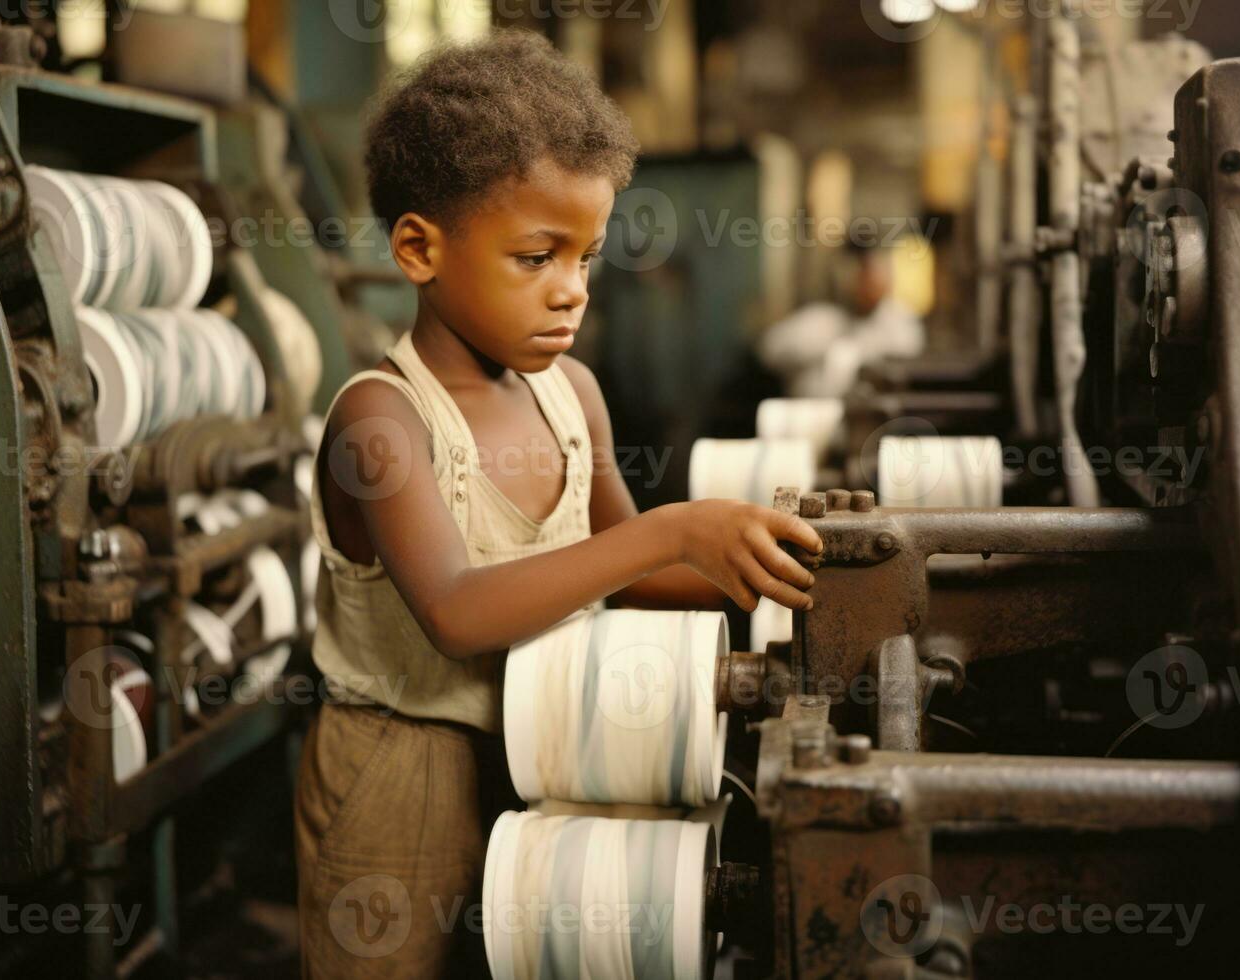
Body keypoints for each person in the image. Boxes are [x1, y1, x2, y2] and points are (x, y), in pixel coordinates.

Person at [294, 29, 823, 979]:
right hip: (402, 775)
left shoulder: (569, 395)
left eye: (586, 257)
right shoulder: (381, 423)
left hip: (551, 749)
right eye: (537, 256)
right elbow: (457, 614)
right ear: (419, 248)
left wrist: (762, 571)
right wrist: (675, 527)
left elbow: (622, 573)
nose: (571, 292)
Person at [755, 245, 925, 399]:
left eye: (875, 273)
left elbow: (908, 360)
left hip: (875, 420)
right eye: (860, 273)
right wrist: (822, 345)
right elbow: (768, 350)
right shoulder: (820, 319)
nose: (868, 282)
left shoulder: (900, 322)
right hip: (810, 418)